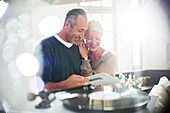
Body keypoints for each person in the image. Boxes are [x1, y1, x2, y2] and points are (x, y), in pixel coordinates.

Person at [34, 8, 89, 91]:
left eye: (84, 31)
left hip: (78, 102)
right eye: (80, 30)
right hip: (56, 103)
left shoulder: (78, 47)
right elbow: (41, 86)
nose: (82, 36)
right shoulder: (45, 46)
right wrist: (65, 85)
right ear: (67, 24)